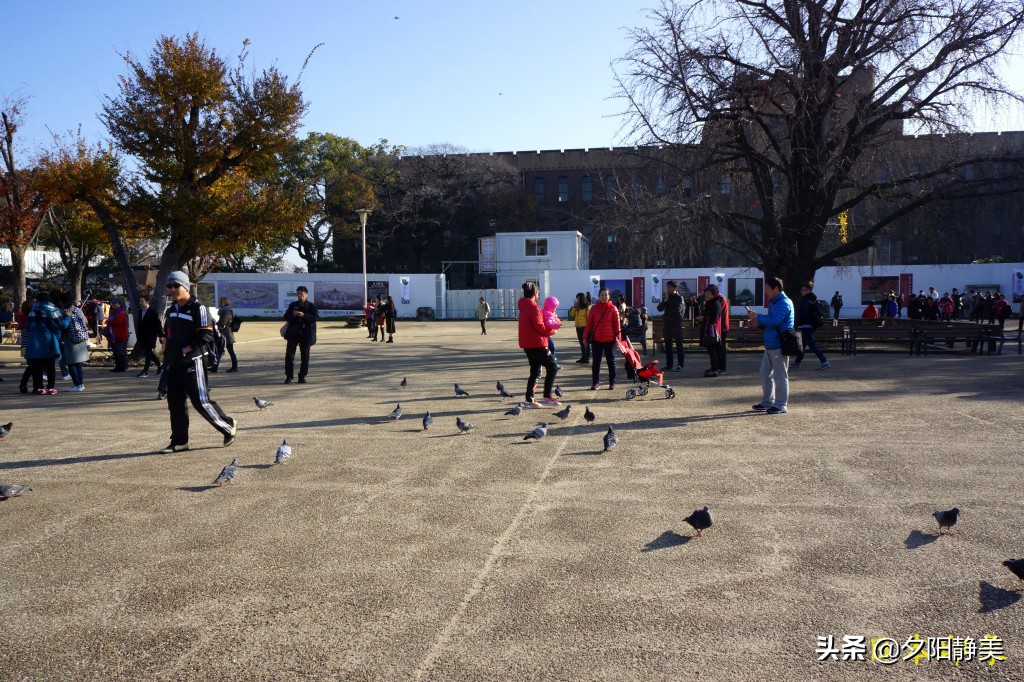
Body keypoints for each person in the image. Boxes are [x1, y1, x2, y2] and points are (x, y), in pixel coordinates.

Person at [159, 270, 236, 453]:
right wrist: (168, 357)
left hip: (193, 362)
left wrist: (187, 349)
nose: (171, 289)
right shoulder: (172, 310)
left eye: (175, 286)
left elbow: (206, 334)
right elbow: (168, 335)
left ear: (185, 287)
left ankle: (228, 425)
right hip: (173, 363)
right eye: (169, 286)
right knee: (175, 403)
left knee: (200, 401)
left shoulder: (198, 308)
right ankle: (180, 441)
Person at [747, 277, 794, 415]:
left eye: (767, 289)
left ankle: (780, 405)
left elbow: (775, 321)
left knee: (780, 377)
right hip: (771, 344)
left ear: (776, 288)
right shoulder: (776, 303)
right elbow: (771, 321)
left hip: (779, 345)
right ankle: (768, 402)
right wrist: (757, 322)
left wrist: (757, 317)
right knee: (765, 374)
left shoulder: (784, 303)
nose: (766, 292)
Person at [517, 281, 559, 407]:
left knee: (535, 371)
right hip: (537, 343)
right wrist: (552, 330)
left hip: (527, 344)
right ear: (536, 293)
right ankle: (546, 396)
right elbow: (540, 327)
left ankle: (529, 399)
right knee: (552, 367)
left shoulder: (523, 306)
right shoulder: (534, 307)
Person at [25, 292, 70, 395]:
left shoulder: (32, 311)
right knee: (50, 366)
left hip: (34, 343)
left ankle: (38, 387)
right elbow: (62, 325)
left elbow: (28, 326)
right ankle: (51, 387)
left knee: (37, 367)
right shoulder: (53, 310)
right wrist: (68, 317)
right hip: (49, 342)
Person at [584, 287, 622, 391]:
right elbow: (589, 324)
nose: (604, 297)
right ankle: (595, 383)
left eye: (606, 295)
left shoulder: (613, 308)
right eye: (602, 295)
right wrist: (585, 337)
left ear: (609, 296)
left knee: (611, 362)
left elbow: (617, 326)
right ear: (599, 296)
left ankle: (612, 383)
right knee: (596, 362)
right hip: (596, 340)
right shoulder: (594, 309)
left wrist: (618, 339)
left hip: (610, 340)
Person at [283, 285, 318, 383]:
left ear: (306, 294)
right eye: (298, 293)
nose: (300, 295)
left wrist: (304, 315)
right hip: (293, 334)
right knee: (289, 356)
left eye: (301, 294)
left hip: (305, 334)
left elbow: (315, 318)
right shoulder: (293, 305)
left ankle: (302, 376)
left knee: (305, 357)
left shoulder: (311, 306)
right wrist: (293, 315)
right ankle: (289, 376)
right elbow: (286, 317)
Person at [793, 283, 830, 370]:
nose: (801, 291)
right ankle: (797, 361)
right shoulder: (813, 299)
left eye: (803, 290)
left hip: (806, 325)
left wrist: (799, 323)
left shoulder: (806, 300)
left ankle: (824, 361)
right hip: (810, 325)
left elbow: (804, 314)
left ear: (808, 290)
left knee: (811, 345)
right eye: (801, 290)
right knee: (802, 344)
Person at [58, 292, 89, 392]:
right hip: (80, 338)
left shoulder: (63, 311)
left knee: (71, 364)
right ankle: (81, 384)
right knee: (78, 364)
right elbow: (85, 322)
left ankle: (77, 385)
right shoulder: (78, 310)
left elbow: (63, 326)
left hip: (69, 340)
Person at [656, 280, 685, 371]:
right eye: (667, 287)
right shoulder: (667, 298)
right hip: (667, 324)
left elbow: (676, 310)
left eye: (670, 287)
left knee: (678, 345)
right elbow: (659, 308)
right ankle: (669, 365)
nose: (668, 289)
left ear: (675, 288)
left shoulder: (679, 298)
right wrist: (665, 300)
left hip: (676, 324)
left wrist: (666, 314)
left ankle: (680, 364)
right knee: (668, 345)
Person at [699, 285, 725, 377]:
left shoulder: (715, 304)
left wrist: (703, 318)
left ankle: (714, 369)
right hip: (709, 329)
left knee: (713, 350)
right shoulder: (709, 303)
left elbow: (714, 318)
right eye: (706, 293)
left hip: (712, 330)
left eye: (708, 293)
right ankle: (713, 367)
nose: (706, 295)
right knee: (711, 350)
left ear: (713, 294)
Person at [136, 295, 164, 377]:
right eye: (140, 301)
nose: (140, 303)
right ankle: (160, 365)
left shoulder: (152, 312)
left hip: (151, 335)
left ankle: (145, 371)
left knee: (148, 352)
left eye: (142, 301)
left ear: (147, 302)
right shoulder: (140, 311)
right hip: (143, 336)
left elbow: (157, 325)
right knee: (148, 352)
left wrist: (161, 335)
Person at [106, 298, 129, 372]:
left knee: (119, 351)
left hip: (119, 335)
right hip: (113, 334)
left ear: (120, 304)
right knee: (116, 352)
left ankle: (122, 367)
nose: (113, 304)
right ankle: (118, 366)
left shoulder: (122, 313)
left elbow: (118, 322)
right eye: (112, 303)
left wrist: (109, 321)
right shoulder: (112, 312)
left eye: (115, 303)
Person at [217, 296, 238, 372]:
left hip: (226, 334)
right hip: (228, 333)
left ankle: (234, 367)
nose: (219, 304)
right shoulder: (228, 310)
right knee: (226, 350)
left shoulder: (226, 312)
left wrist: (215, 323)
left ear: (223, 303)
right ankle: (234, 366)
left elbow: (222, 323)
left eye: (220, 302)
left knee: (225, 350)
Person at [568, 292, 591, 363]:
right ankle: (583, 357)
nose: (577, 300)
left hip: (584, 327)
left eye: (578, 298)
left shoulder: (587, 307)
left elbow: (589, 318)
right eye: (576, 299)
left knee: (586, 343)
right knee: (581, 343)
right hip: (578, 327)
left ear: (582, 298)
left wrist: (588, 328)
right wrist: (575, 306)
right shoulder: (577, 307)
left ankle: (587, 358)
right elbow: (572, 314)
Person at [542, 295, 561, 366]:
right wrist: (557, 325)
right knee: (551, 348)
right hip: (547, 334)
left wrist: (558, 321)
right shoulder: (548, 314)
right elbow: (549, 323)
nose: (555, 309)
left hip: (549, 334)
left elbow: (555, 319)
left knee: (551, 348)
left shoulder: (551, 313)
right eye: (554, 308)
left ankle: (553, 362)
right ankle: (553, 363)